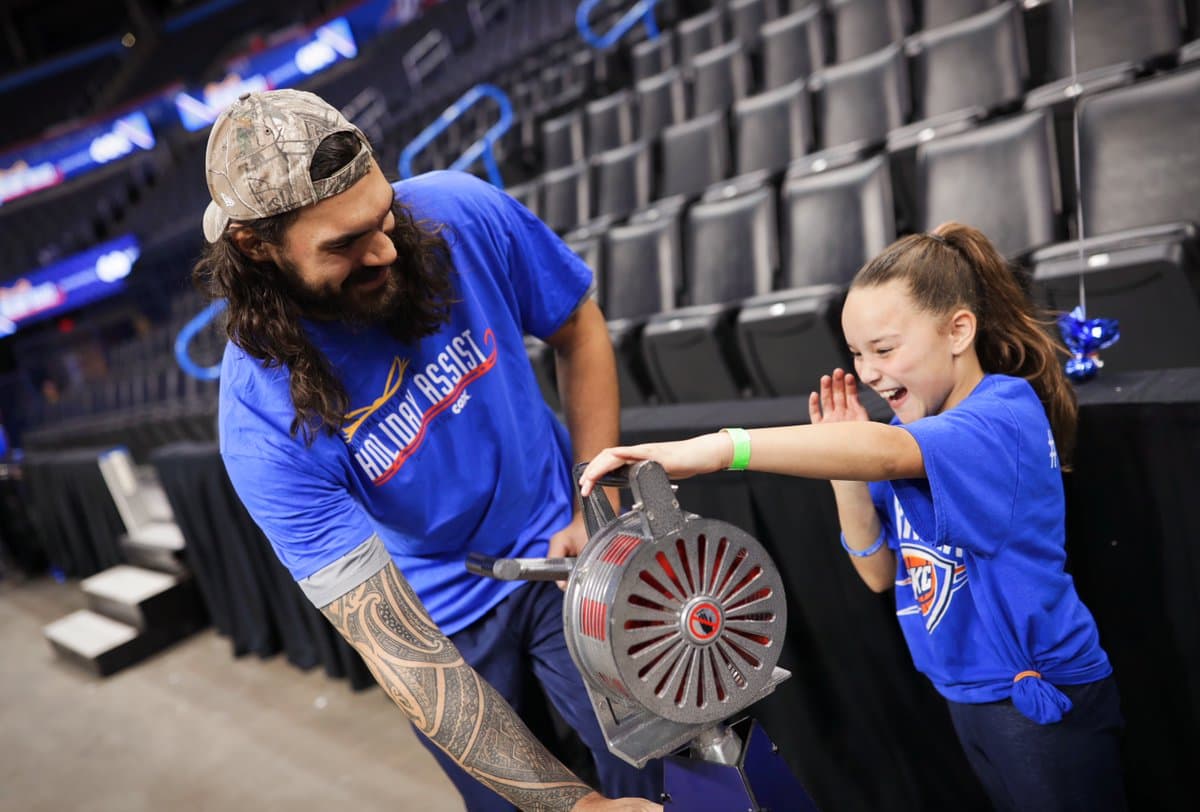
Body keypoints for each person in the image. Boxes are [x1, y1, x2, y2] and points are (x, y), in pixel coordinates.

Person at [193, 89, 661, 812]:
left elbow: (579, 325)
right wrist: (578, 808)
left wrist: (592, 501)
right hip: (436, 621)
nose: (382, 249)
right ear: (258, 246)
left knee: (664, 764)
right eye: (344, 244)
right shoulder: (261, 419)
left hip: (562, 544)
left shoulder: (458, 211)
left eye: (381, 218)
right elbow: (401, 654)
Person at [580, 223, 1126, 812]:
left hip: (1038, 698)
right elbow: (877, 572)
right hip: (966, 695)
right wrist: (844, 468)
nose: (867, 372)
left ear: (959, 331)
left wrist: (715, 450)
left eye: (885, 350)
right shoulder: (903, 434)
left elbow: (887, 455)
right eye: (858, 355)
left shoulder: (1001, 414)